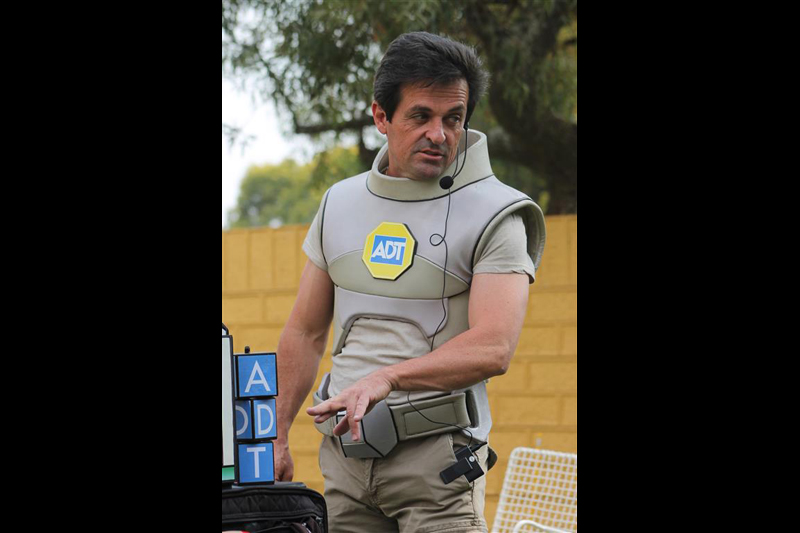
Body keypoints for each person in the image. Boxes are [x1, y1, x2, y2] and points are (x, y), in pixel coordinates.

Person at [275, 32, 546, 533]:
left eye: (453, 118)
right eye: (421, 116)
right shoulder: (338, 203)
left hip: (439, 470)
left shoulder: (498, 213)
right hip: (344, 463)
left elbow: (493, 346)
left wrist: (387, 378)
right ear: (381, 117)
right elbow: (305, 332)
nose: (439, 134)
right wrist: (276, 434)